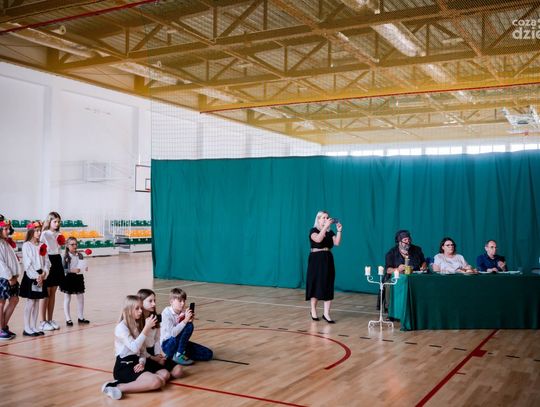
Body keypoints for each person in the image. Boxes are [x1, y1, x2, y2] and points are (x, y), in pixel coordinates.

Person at [101, 295, 171, 400]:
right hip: (124, 365)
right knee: (157, 381)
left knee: (164, 375)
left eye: (140, 308)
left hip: (137, 362)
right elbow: (134, 347)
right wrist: (146, 328)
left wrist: (142, 362)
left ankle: (128, 382)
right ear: (129, 310)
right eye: (137, 308)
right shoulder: (121, 328)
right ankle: (117, 387)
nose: (140, 311)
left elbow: (142, 351)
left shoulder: (136, 326)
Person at [137, 288, 183, 379]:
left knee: (178, 371)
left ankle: (159, 375)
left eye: (154, 301)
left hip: (154, 352)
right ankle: (153, 376)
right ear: (141, 302)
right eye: (150, 301)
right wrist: (152, 358)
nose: (154, 304)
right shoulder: (137, 321)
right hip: (143, 355)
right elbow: (140, 348)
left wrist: (158, 354)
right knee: (164, 375)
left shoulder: (156, 317)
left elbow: (157, 339)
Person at [305, 211, 342, 323]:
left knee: (328, 284)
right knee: (315, 283)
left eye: (327, 217)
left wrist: (339, 230)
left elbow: (337, 243)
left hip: (327, 259)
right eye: (323, 217)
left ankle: (326, 314)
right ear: (318, 219)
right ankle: (313, 310)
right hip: (316, 259)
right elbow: (318, 239)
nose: (326, 219)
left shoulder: (330, 232)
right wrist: (325, 227)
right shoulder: (313, 231)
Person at [160, 288, 213, 365]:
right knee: (189, 326)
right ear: (171, 302)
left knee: (208, 354)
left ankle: (177, 354)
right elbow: (173, 333)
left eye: (184, 301)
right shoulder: (166, 313)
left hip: (180, 344)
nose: (183, 303)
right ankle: (179, 354)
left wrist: (190, 320)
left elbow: (184, 334)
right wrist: (186, 321)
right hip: (167, 345)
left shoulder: (184, 312)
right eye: (180, 301)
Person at [379, 230, 427, 311]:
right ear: (399, 242)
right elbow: (388, 270)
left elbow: (423, 261)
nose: (408, 242)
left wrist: (423, 266)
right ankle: (390, 310)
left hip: (414, 277)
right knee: (388, 284)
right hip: (398, 277)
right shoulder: (391, 253)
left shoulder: (417, 250)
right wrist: (398, 269)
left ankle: (420, 309)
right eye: (405, 240)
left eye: (409, 239)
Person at [20, 221, 49, 336]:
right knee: (30, 301)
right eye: (36, 231)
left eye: (39, 230)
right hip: (31, 276)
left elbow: (47, 262)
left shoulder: (42, 245)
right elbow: (27, 264)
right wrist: (37, 277)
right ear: (31, 231)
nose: (39, 233)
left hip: (41, 276)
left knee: (37, 301)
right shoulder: (27, 245)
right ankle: (27, 327)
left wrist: (44, 274)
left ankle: (33, 326)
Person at [39, 211, 65, 331]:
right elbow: (41, 250)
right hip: (47, 260)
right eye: (55, 221)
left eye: (59, 222)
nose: (57, 223)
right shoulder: (44, 234)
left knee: (53, 292)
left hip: (57, 261)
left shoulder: (59, 234)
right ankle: (42, 321)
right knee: (46, 293)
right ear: (49, 222)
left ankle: (50, 319)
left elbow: (59, 250)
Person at [60, 237, 90, 326]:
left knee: (81, 297)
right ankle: (68, 318)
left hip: (78, 277)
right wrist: (72, 270)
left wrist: (84, 268)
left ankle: (81, 317)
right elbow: (64, 269)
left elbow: (81, 265)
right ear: (67, 245)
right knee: (67, 297)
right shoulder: (66, 256)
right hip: (68, 278)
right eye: (72, 244)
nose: (74, 246)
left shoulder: (80, 255)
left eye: (76, 244)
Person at [0, 219, 20, 340]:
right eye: (5, 229)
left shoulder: (5, 242)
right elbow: (1, 263)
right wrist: (10, 277)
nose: (8, 231)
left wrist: (16, 274)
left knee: (14, 299)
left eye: (8, 229)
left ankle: (3, 326)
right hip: (4, 277)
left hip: (12, 277)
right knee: (1, 303)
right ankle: (0, 329)